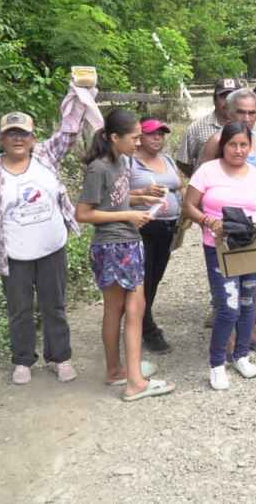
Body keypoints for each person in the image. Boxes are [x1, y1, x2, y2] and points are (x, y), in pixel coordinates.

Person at [0, 88, 89, 385]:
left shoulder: (45, 156)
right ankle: (22, 360)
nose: (18, 139)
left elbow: (69, 131)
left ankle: (60, 357)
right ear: (0, 138)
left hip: (51, 247)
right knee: (19, 309)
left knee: (54, 305)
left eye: (24, 134)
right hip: (14, 253)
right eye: (11, 134)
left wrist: (80, 95)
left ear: (33, 138)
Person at [76, 108, 175, 401]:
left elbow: (112, 197)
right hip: (115, 245)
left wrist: (141, 198)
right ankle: (136, 383)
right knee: (134, 310)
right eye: (134, 137)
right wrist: (130, 214)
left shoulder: (120, 162)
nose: (138, 142)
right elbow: (84, 213)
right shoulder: (99, 167)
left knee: (116, 310)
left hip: (123, 243)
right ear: (113, 137)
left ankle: (116, 370)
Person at [183, 121, 256, 389]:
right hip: (219, 247)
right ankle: (217, 363)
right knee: (227, 306)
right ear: (223, 145)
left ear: (251, 146)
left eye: (243, 144)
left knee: (248, 302)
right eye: (232, 144)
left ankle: (241, 355)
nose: (238, 150)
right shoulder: (207, 172)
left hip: (251, 247)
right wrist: (208, 221)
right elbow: (188, 206)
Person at [199, 88, 256, 348]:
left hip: (254, 225)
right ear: (228, 112)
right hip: (225, 231)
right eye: (240, 112)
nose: (247, 117)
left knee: (254, 284)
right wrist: (210, 221)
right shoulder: (216, 142)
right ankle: (229, 341)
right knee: (229, 289)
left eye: (252, 112)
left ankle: (249, 333)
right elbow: (201, 187)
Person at [129, 118, 182, 354]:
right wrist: (141, 193)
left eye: (161, 134)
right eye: (152, 134)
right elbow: (114, 195)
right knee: (144, 279)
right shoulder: (128, 162)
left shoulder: (167, 159)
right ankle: (146, 328)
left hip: (168, 227)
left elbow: (178, 186)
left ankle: (142, 320)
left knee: (156, 277)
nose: (157, 138)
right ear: (139, 136)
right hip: (142, 227)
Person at [175, 78, 237, 177]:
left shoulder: (252, 126)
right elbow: (183, 161)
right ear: (215, 100)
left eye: (233, 97)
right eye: (223, 97)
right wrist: (200, 179)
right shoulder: (197, 127)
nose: (228, 101)